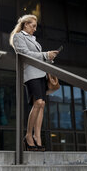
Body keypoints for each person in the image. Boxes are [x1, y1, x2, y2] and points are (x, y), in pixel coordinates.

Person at [9, 14, 58, 151]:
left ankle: (37, 137)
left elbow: (40, 58)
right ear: (25, 25)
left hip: (41, 74)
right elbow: (24, 53)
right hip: (30, 74)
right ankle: (28, 136)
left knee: (42, 105)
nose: (35, 29)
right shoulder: (18, 37)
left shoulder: (35, 41)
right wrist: (44, 54)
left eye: (35, 26)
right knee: (39, 103)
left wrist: (49, 57)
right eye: (33, 25)